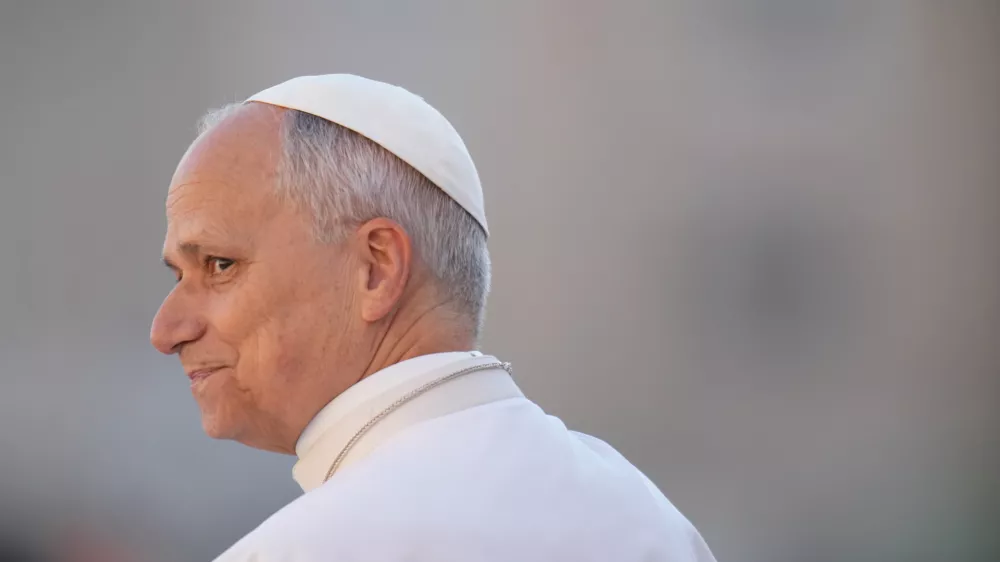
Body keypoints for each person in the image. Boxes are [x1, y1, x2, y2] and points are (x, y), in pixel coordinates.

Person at [150, 74, 717, 561]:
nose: (167, 331)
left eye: (219, 265)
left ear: (376, 269)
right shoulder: (650, 521)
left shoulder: (299, 551)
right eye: (179, 276)